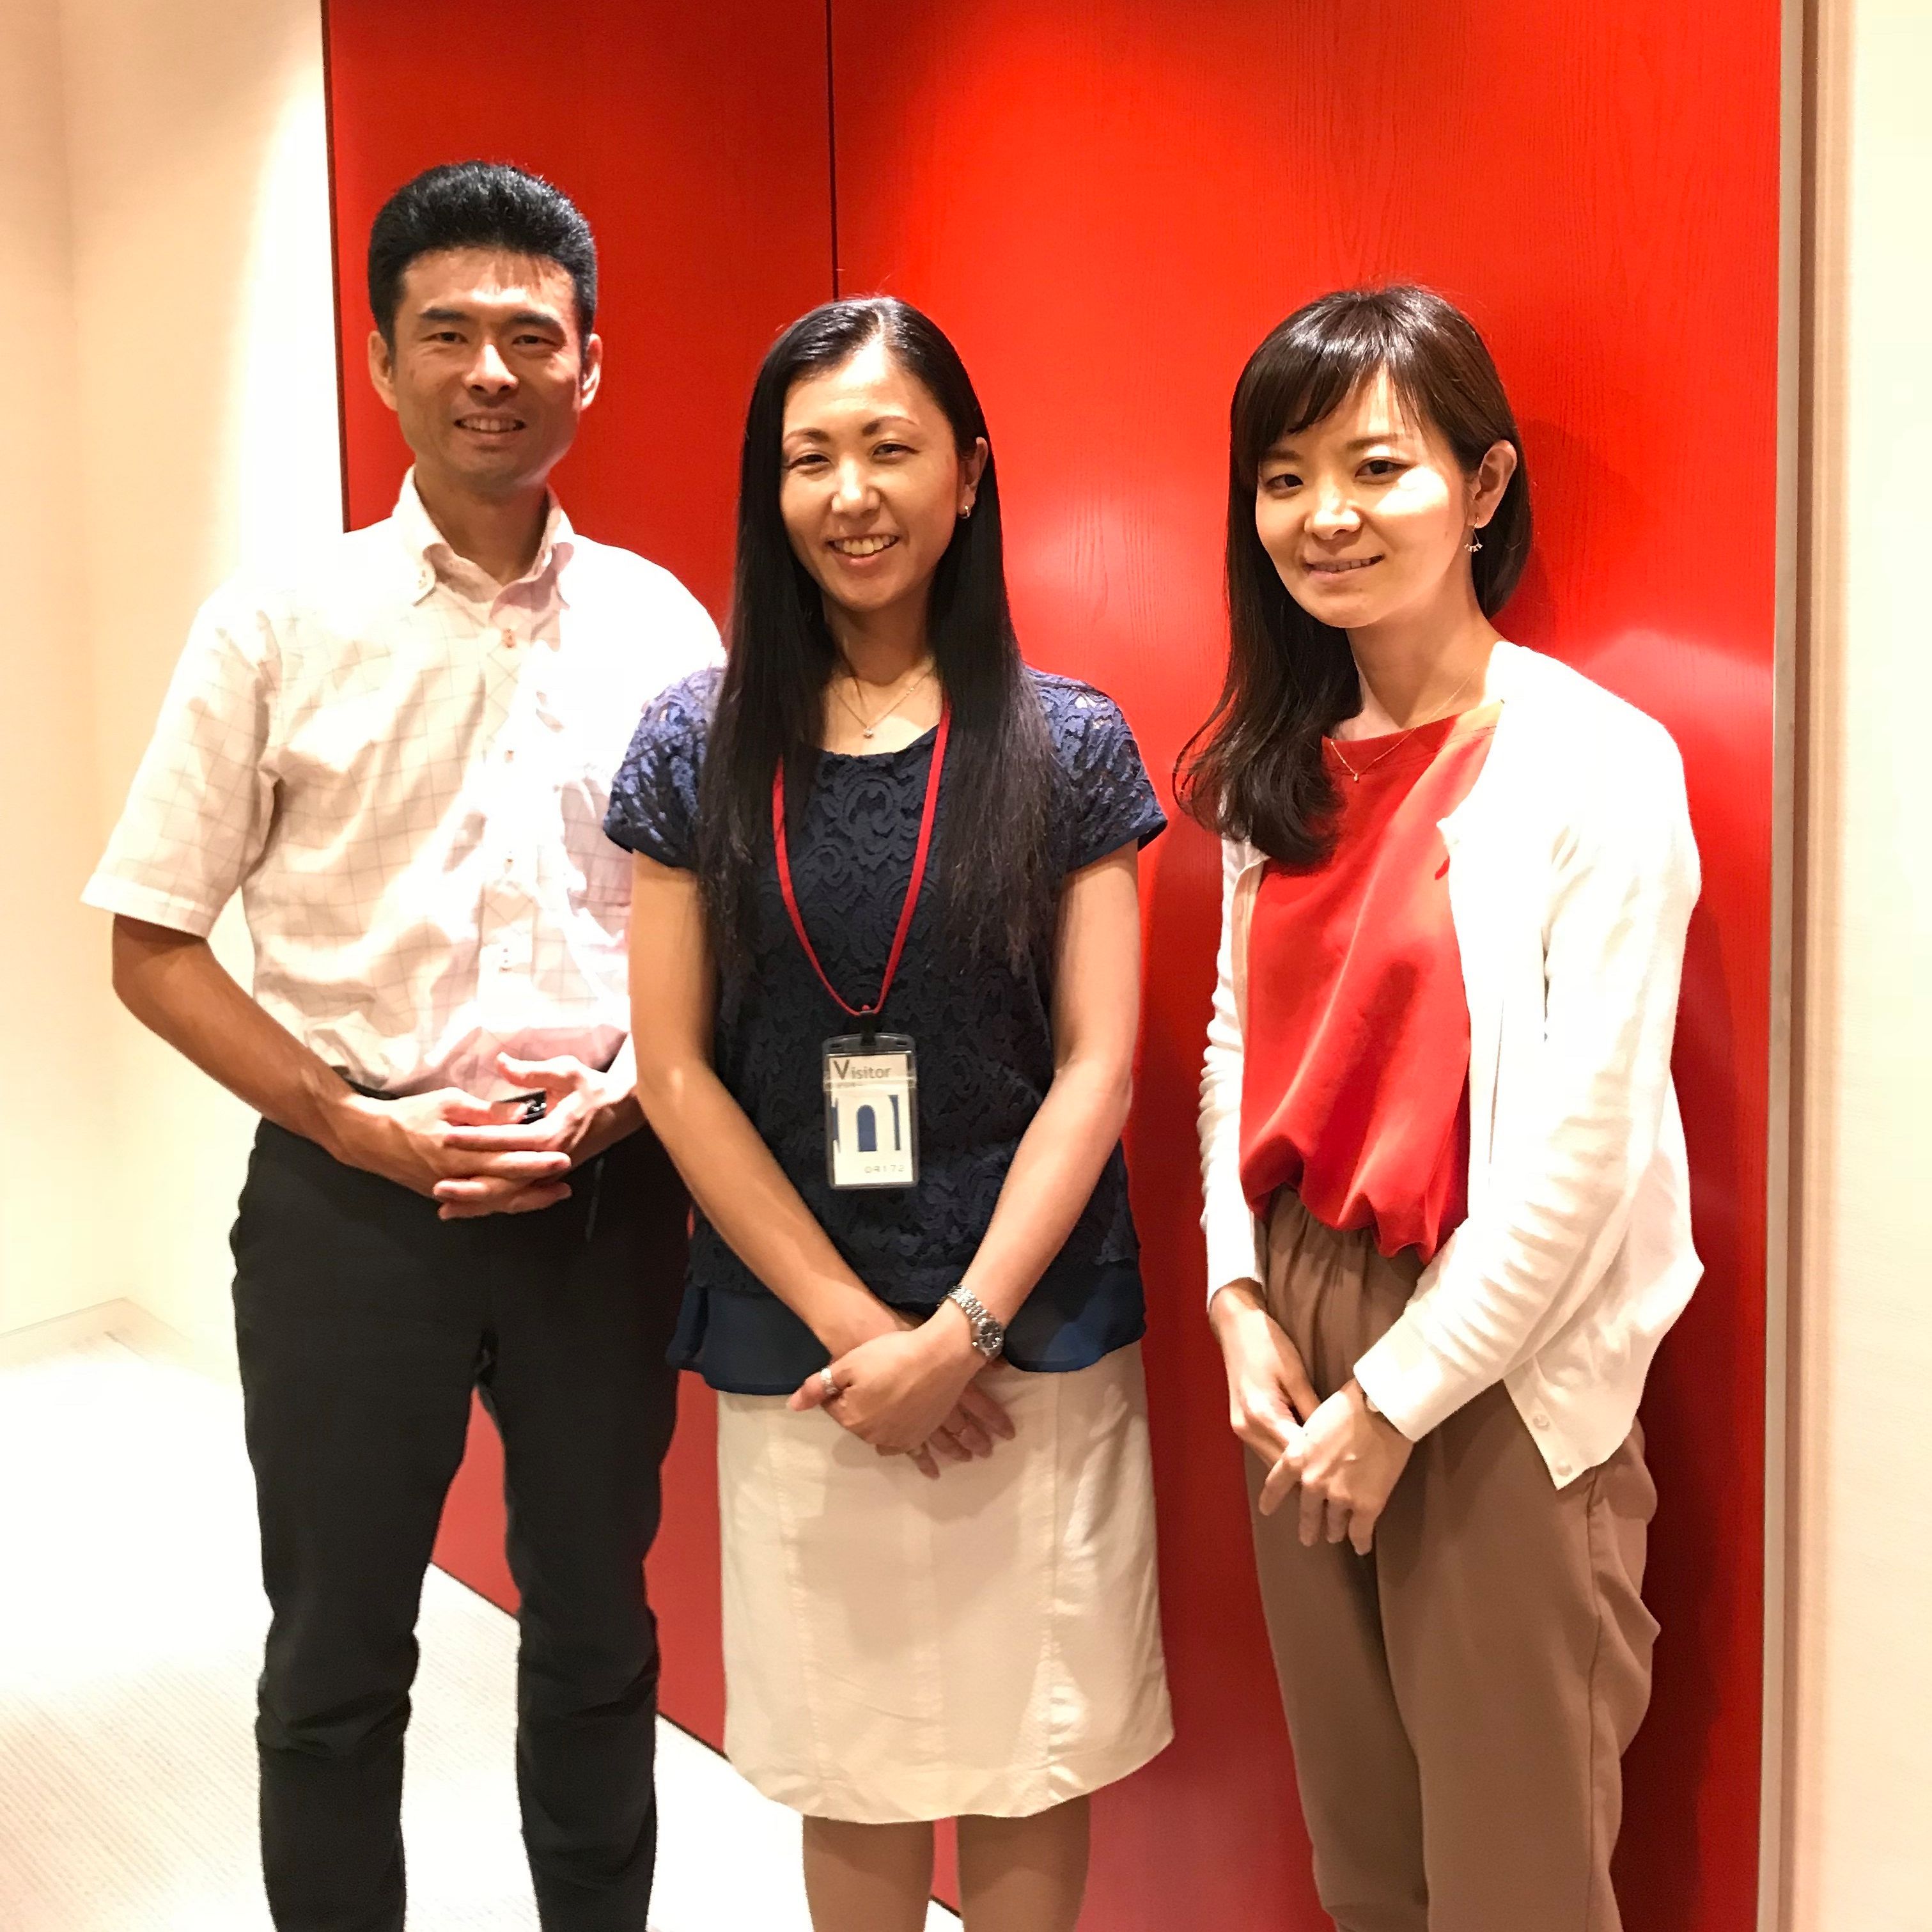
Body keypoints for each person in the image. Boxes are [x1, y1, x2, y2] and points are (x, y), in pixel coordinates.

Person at [84, 162, 721, 1931]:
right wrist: (354, 1123)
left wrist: (632, 1092)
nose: (489, 369)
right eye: (446, 332)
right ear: (382, 362)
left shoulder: (665, 626)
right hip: (346, 1207)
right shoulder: (276, 622)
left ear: (590, 363)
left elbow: (717, 922)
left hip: (600, 1201)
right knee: (337, 1654)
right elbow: (151, 939)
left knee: (597, 1632)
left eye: (531, 334)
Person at [605, 295, 1173, 1932]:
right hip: (812, 1354)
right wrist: (871, 1336)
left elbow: (1098, 1064)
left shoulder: (1064, 741)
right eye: (810, 457)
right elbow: (674, 1068)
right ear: (768, 489)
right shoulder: (694, 743)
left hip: (1029, 1330)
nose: (850, 492)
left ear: (968, 474)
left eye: (889, 447)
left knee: (1027, 1752)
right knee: (848, 1759)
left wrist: (963, 1330)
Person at [1185, 285, 1701, 1932]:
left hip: (1491, 1352)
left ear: (1480, 487)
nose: (1322, 515)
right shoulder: (1276, 764)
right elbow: (1233, 1046)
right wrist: (1233, 1296)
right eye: (1282, 477)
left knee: (1512, 1882)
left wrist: (1398, 1398)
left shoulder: (1596, 761)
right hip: (1298, 1324)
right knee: (1363, 1861)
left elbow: (1580, 1149)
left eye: (1375, 467)